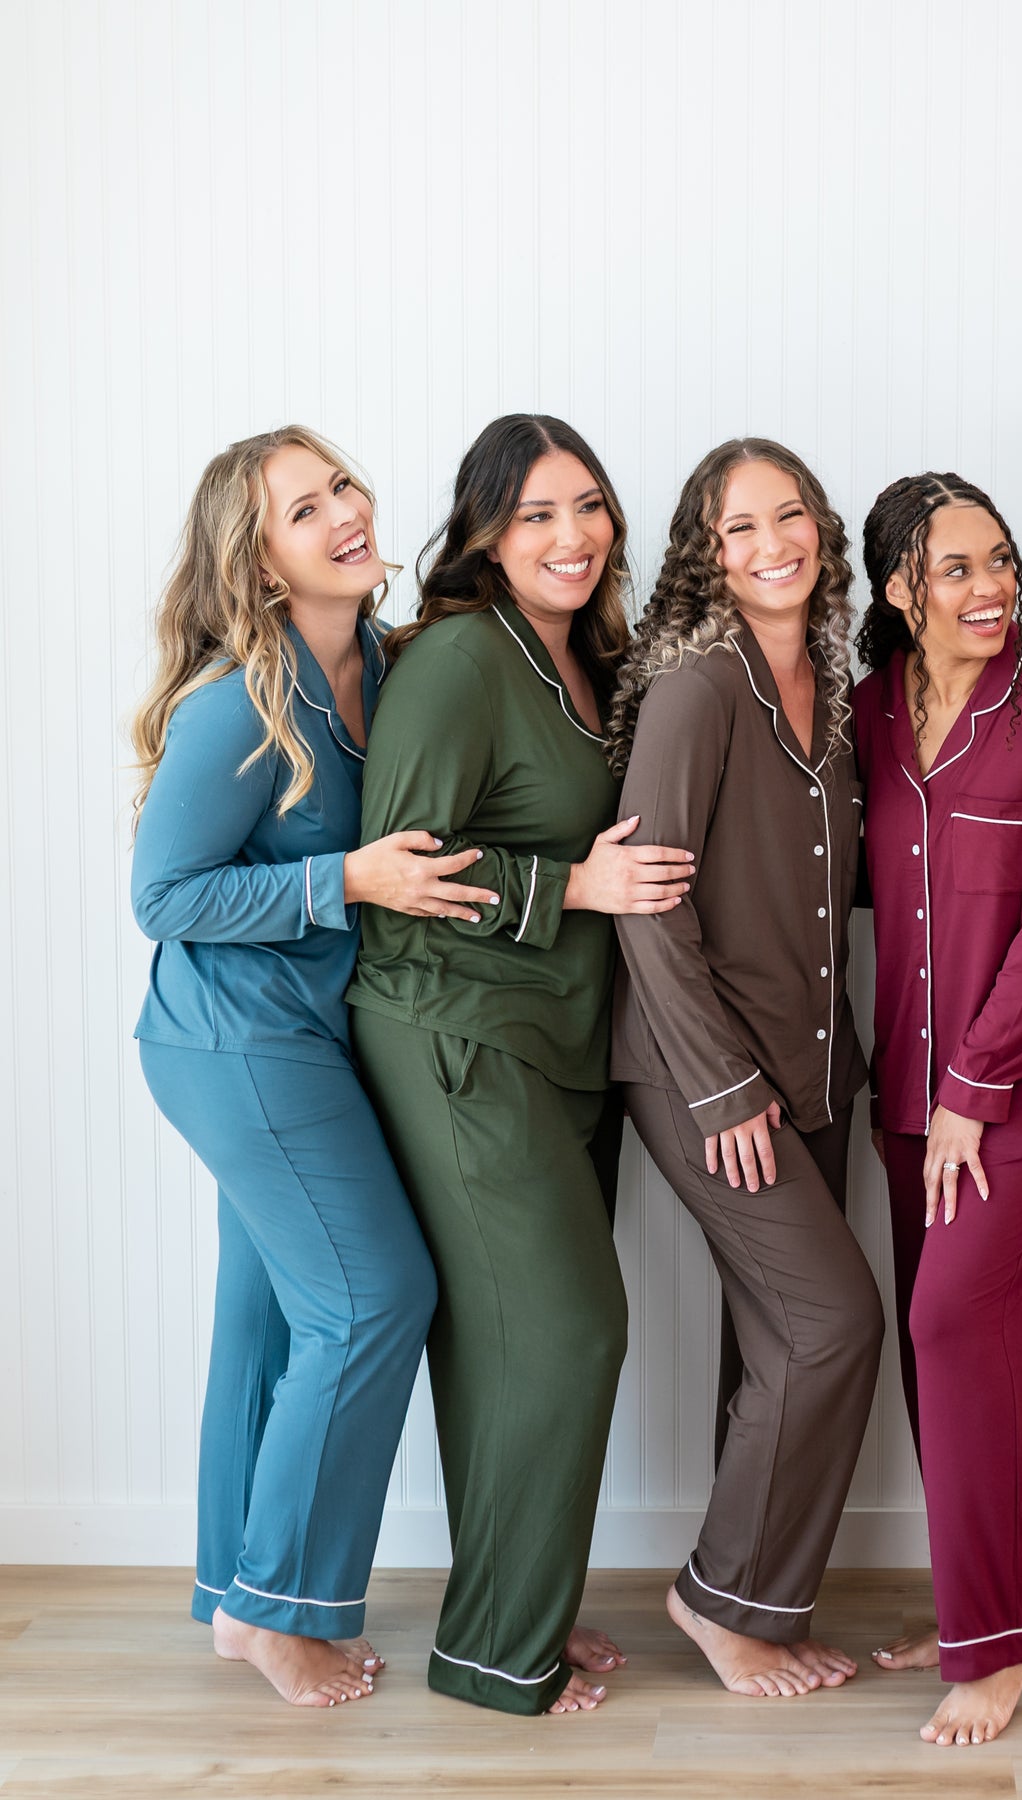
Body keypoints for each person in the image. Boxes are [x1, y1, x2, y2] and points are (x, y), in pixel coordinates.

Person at [347, 414, 693, 1716]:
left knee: (508, 1350)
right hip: (456, 1034)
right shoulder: (454, 662)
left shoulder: (589, 659)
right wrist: (574, 883)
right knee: (569, 1333)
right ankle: (500, 1658)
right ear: (486, 531)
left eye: (589, 506)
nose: (573, 536)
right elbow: (400, 874)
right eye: (538, 514)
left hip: (561, 1048)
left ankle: (515, 1611)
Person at [130, 426, 469, 1706]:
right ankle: (282, 1609)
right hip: (236, 1045)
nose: (344, 513)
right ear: (263, 565)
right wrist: (344, 878)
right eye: (303, 509)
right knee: (373, 1295)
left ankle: (235, 1595)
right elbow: (163, 895)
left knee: (268, 1320)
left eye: (343, 486)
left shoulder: (390, 666)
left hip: (305, 1039)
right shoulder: (237, 707)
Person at [609, 438, 883, 1700]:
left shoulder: (830, 688)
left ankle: (763, 1609)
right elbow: (647, 907)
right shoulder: (699, 693)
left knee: (778, 1340)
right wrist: (721, 1087)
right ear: (705, 558)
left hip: (814, 1070)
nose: (774, 544)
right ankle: (716, 1600)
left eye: (792, 517)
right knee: (835, 1324)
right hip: (702, 1075)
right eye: (740, 529)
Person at [854, 472, 1022, 1747]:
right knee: (949, 1348)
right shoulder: (864, 712)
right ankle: (982, 1604)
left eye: (1000, 558)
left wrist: (976, 1086)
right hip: (908, 1086)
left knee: (950, 1320)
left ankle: (996, 1643)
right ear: (899, 590)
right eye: (956, 568)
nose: (992, 587)